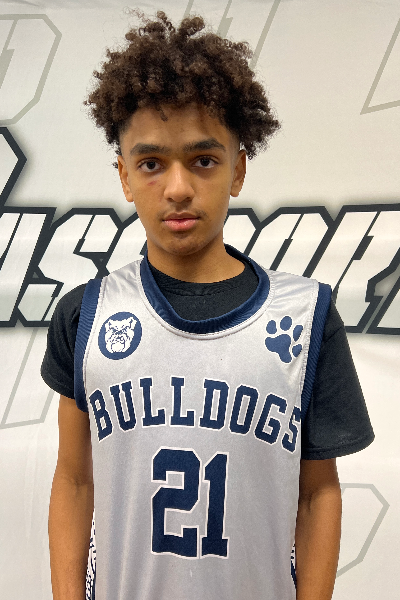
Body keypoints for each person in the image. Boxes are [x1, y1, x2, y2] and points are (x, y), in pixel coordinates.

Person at [41, 11, 374, 600]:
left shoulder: (307, 317)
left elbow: (318, 493)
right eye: (151, 163)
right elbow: (73, 481)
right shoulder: (85, 314)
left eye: (203, 160)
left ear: (238, 168)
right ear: (123, 176)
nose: (177, 188)